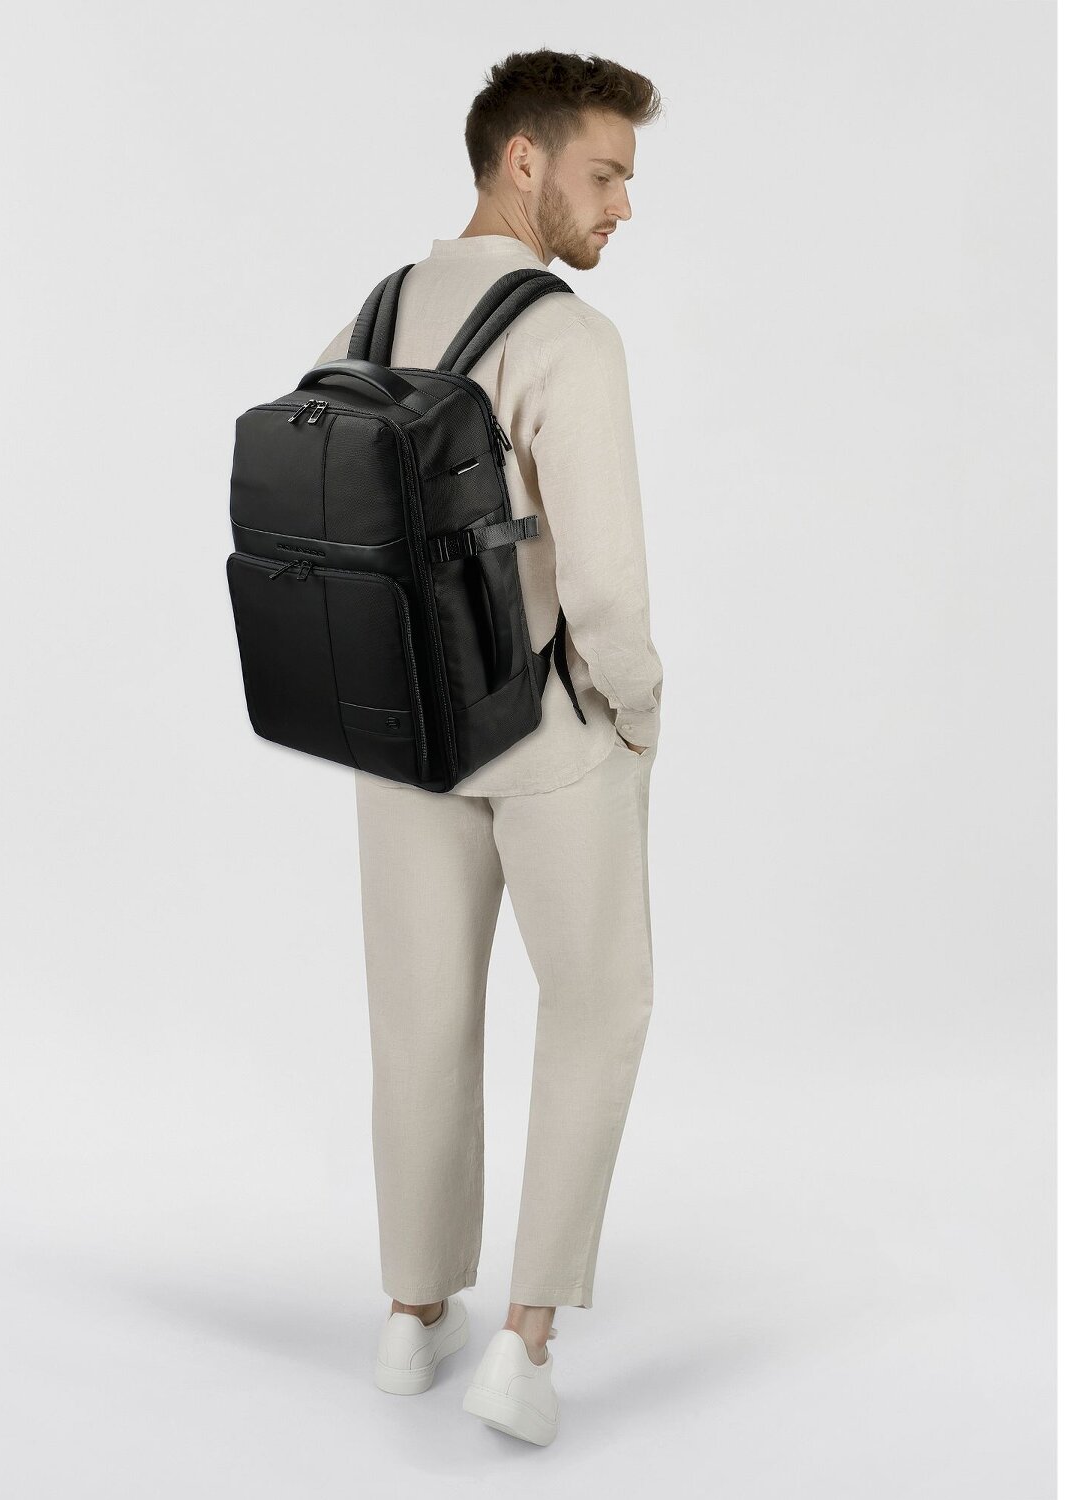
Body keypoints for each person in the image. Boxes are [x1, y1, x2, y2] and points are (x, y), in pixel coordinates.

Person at [311, 49, 665, 1448]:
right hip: (546, 730)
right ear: (524, 161)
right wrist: (637, 708)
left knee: (419, 1015)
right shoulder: (569, 338)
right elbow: (607, 588)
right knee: (596, 1005)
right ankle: (523, 1346)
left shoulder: (372, 311)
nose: (624, 204)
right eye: (606, 172)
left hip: (397, 728)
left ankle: (412, 1316)